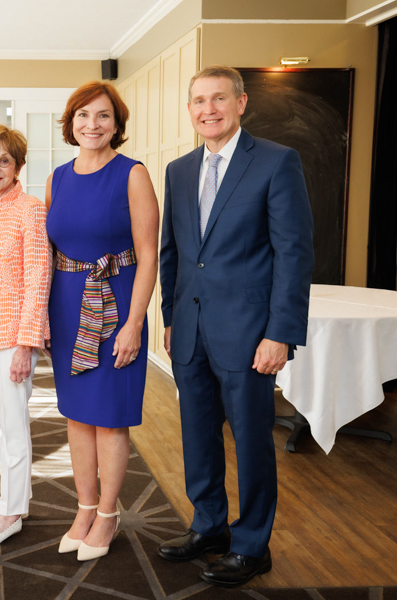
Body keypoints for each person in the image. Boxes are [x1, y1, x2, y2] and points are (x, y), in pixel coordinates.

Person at [158, 65, 313, 587]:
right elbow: (173, 254)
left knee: (250, 441)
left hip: (250, 334)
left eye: (219, 99)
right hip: (191, 329)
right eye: (199, 101)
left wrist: (281, 333)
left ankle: (252, 545)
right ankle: (209, 527)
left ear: (241, 102)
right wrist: (171, 319)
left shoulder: (275, 162)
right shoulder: (178, 171)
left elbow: (294, 254)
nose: (209, 110)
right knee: (198, 436)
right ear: (190, 110)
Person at [46, 82, 159, 561]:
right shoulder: (57, 176)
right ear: (71, 123)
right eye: (83, 116)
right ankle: (84, 508)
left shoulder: (132, 174)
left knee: (110, 419)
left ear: (117, 123)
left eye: (103, 116)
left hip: (115, 305)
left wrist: (135, 322)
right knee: (76, 415)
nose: (92, 124)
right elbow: (49, 252)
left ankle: (108, 514)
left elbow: (149, 254)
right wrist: (42, 318)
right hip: (67, 305)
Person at [0, 125, 52, 547]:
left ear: (18, 165)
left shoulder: (31, 209)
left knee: (13, 424)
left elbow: (39, 277)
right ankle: (11, 500)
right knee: (1, 421)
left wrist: (27, 342)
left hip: (12, 335)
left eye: (4, 160)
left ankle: (13, 512)